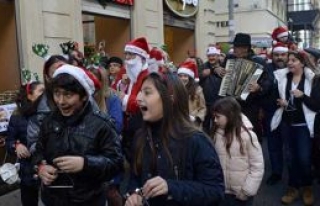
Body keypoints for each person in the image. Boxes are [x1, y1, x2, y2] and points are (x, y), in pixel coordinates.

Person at [124, 72, 224, 206]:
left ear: (170, 100)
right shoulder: (140, 137)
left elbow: (215, 191)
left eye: (147, 93)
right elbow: (135, 179)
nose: (138, 98)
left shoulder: (196, 141)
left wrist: (172, 188)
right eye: (140, 92)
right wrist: (134, 194)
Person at [32, 64, 123, 206]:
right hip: (51, 200)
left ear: (84, 96)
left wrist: (85, 163)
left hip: (89, 201)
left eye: (68, 94)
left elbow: (116, 163)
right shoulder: (48, 121)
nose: (61, 101)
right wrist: (40, 167)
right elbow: (38, 151)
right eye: (57, 93)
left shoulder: (101, 125)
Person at [271, 51, 316, 205]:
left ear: (302, 63)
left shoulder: (312, 80)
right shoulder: (283, 78)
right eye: (288, 60)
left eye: (293, 60)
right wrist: (283, 103)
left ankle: (307, 187)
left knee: (304, 158)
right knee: (290, 158)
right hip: (287, 124)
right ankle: (293, 187)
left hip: (304, 126)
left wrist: (302, 96)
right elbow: (281, 102)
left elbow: (316, 106)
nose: (289, 63)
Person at [211, 97, 264, 206]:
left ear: (229, 115)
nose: (215, 120)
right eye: (214, 117)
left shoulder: (247, 136)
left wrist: (247, 190)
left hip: (241, 194)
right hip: (222, 191)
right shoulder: (216, 134)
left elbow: (257, 166)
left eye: (218, 117)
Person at [5, 81, 44, 206]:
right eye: (41, 91)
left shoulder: (52, 114)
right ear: (30, 95)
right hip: (28, 170)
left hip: (49, 169)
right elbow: (9, 142)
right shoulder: (17, 117)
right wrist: (16, 145)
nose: (45, 94)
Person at [223, 33, 267, 142]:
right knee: (233, 134)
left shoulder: (258, 61)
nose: (234, 50)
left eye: (236, 48)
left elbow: (268, 81)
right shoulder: (229, 59)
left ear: (245, 48)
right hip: (232, 104)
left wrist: (259, 87)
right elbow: (221, 75)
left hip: (251, 105)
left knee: (251, 134)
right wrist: (217, 70)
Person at [262, 42, 289, 185]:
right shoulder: (267, 69)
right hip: (271, 111)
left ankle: (294, 174)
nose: (279, 58)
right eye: (277, 55)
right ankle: (276, 172)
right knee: (273, 145)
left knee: (291, 145)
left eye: (283, 55)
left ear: (287, 55)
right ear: (272, 56)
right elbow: (264, 86)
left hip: (291, 113)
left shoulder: (293, 67)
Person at [120, 37, 150, 158]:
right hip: (129, 124)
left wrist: (124, 98)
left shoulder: (148, 76)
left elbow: (146, 103)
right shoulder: (132, 72)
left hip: (142, 125)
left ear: (141, 58)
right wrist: (123, 85)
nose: (127, 58)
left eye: (131, 55)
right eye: (126, 54)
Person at [88, 66, 123, 134]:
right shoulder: (84, 96)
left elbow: (117, 126)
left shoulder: (112, 99)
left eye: (93, 81)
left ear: (102, 82)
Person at [200, 46, 225, 133]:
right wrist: (212, 70)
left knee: (218, 126)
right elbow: (199, 77)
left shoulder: (224, 66)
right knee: (205, 126)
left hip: (220, 102)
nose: (211, 57)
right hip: (205, 102)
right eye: (209, 56)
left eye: (214, 55)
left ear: (218, 56)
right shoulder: (203, 66)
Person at [177, 60, 206, 128]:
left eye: (185, 76)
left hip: (193, 124)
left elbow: (203, 108)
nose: (182, 78)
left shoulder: (197, 90)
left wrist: (197, 119)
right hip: (180, 124)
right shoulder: (176, 89)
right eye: (180, 76)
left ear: (190, 77)